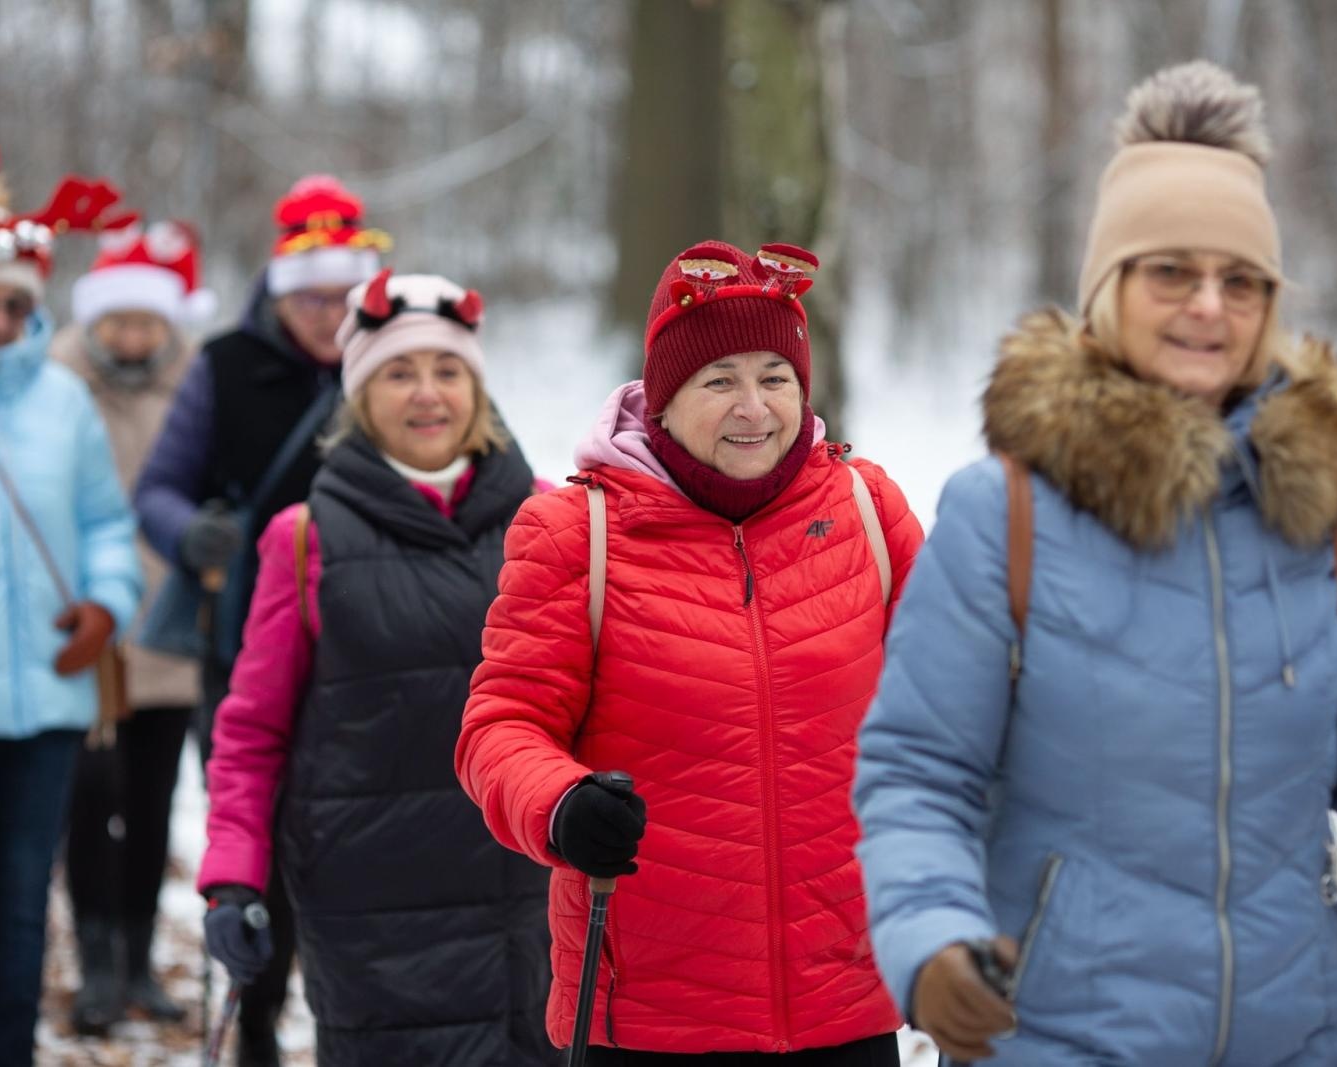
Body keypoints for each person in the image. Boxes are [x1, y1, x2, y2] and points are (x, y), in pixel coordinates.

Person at [852, 61, 1337, 1065]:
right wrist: (929, 940)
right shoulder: (1005, 513)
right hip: (1058, 1039)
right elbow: (917, 773)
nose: (1210, 306)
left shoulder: (1327, 510)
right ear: (1111, 287)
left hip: (1300, 1035)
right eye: (1171, 271)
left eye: (1240, 279)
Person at [456, 240, 925, 1065]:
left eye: (775, 377)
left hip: (845, 1003)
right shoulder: (579, 533)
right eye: (720, 381)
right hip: (651, 1017)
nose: (754, 407)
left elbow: (953, 703)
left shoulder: (865, 510)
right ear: (663, 399)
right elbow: (500, 727)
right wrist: (561, 805)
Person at [196, 270, 553, 1065]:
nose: (428, 394)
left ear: (478, 388)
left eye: (448, 370)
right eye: (399, 372)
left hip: (527, 903)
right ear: (359, 396)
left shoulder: (552, 520)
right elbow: (252, 731)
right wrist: (233, 880)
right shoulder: (303, 538)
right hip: (369, 919)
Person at [134, 174, 389, 1064]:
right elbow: (157, 490)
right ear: (282, 292)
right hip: (241, 645)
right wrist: (190, 531)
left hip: (370, 644)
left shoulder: (399, 361)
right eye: (311, 297)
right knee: (259, 839)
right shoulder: (224, 366)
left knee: (360, 837)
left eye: (341, 297)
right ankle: (256, 1022)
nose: (327, 315)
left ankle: (353, 1018)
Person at [0, 137, 142, 1066]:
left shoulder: (63, 401)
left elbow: (105, 522)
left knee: (18, 896)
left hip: (47, 697)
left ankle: (3, 1051)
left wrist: (105, 604)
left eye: (17, 303)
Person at [50, 220, 217, 1035]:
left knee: (153, 801)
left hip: (169, 630)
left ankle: (141, 957)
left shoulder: (196, 386)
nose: (131, 335)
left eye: (146, 321)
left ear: (167, 323)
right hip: (88, 630)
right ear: (94, 320)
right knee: (90, 797)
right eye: (117, 321)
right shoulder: (59, 381)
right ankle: (96, 963)